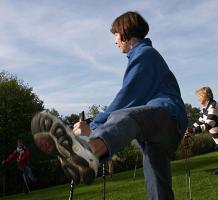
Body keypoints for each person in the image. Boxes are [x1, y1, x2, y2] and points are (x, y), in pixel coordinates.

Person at [31, 11, 188, 200]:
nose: (115, 41)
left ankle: (89, 153)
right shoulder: (142, 56)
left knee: (126, 116)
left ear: (124, 32)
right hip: (155, 134)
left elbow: (126, 99)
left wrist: (92, 126)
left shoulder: (145, 55)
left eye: (115, 35)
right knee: (157, 188)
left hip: (167, 117)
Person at [185, 87, 218, 198]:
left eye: (199, 96)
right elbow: (200, 121)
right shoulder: (205, 108)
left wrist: (193, 131)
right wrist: (190, 129)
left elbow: (208, 125)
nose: (198, 98)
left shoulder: (213, 108)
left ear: (205, 96)